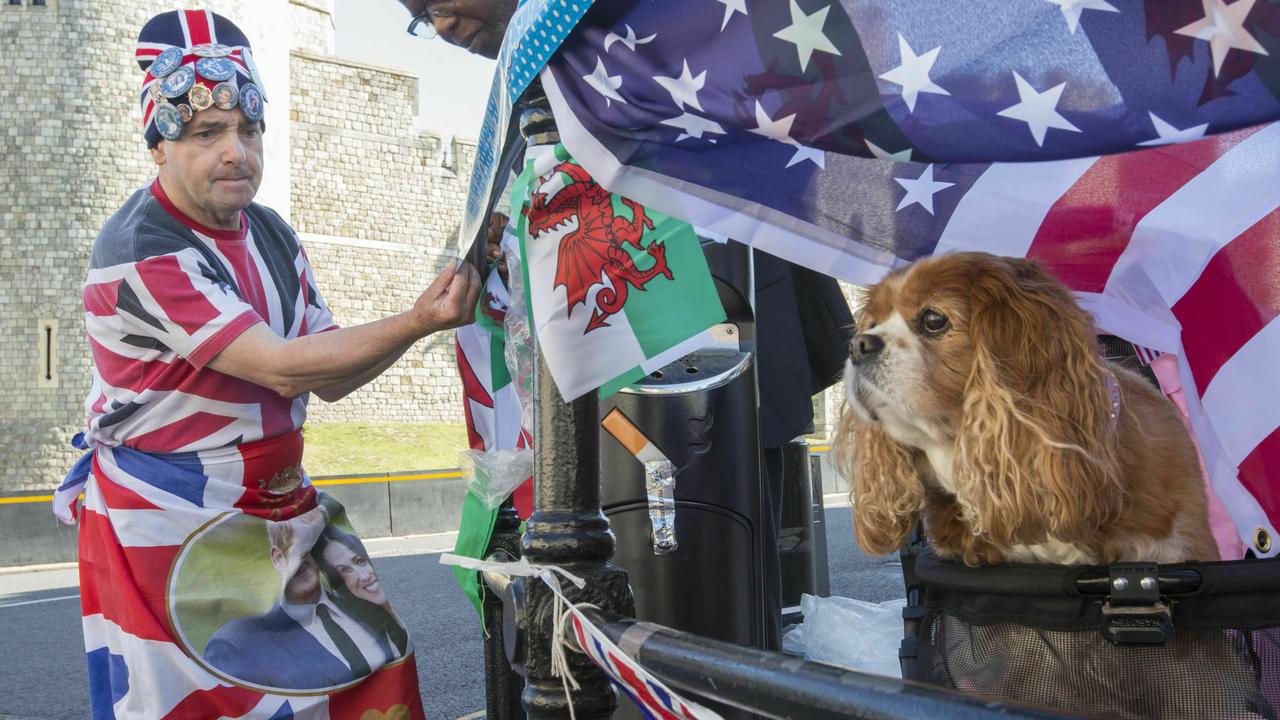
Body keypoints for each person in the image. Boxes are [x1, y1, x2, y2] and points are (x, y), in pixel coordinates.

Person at [59, 9, 477, 717]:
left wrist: (422, 318)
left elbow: (330, 374)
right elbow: (282, 368)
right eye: (205, 133)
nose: (236, 152)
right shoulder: (141, 248)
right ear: (158, 146)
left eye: (249, 130)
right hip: (169, 525)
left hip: (279, 505)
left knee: (373, 666)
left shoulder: (272, 232)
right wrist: (416, 320)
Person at [398, 0, 854, 649]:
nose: (440, 25)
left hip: (714, 339)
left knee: (734, 588)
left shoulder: (613, 30)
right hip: (610, 379)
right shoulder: (529, 79)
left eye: (437, 3)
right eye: (421, 18)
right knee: (644, 599)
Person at [204, 507, 390, 690]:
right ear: (277, 557)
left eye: (309, 545)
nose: (302, 559)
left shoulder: (365, 603)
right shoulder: (236, 643)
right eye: (296, 546)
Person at [312, 524, 412, 661]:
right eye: (346, 570)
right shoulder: (363, 640)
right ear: (336, 586)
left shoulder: (390, 623)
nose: (364, 576)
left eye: (359, 561)